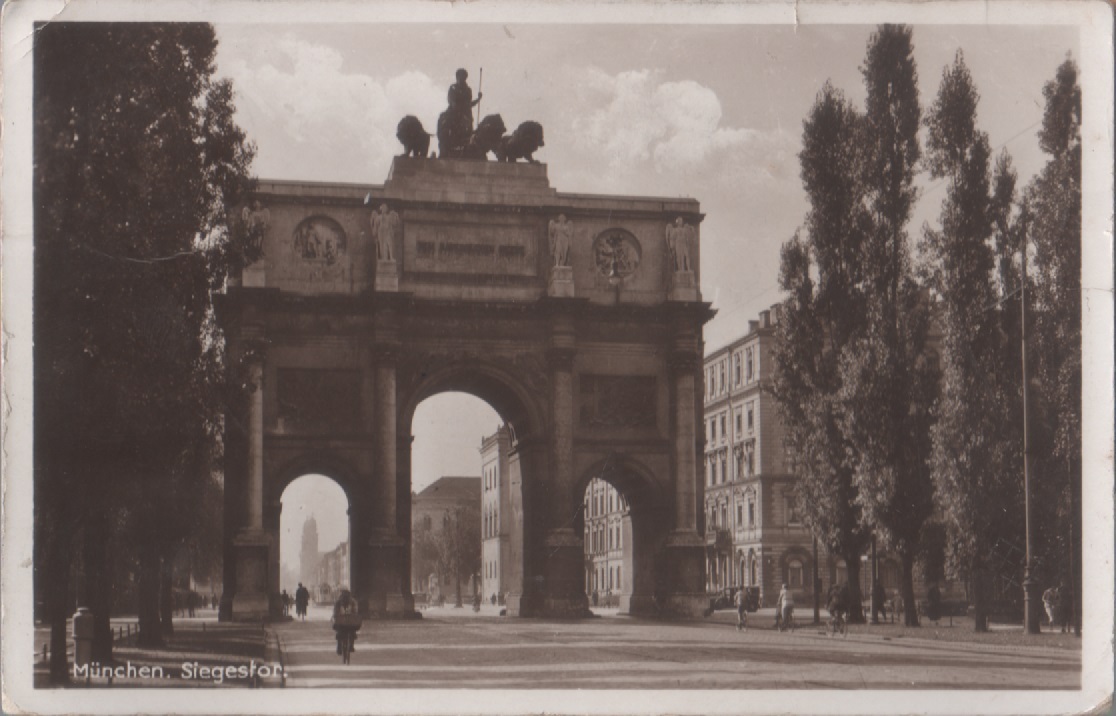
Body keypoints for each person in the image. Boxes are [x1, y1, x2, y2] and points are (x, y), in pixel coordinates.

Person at [332, 588, 360, 656]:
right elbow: (355, 611)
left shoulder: (338, 601)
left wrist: (336, 616)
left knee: (339, 633)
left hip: (341, 621)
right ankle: (351, 646)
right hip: (350, 621)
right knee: (352, 631)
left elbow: (335, 611)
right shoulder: (352, 601)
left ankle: (339, 648)